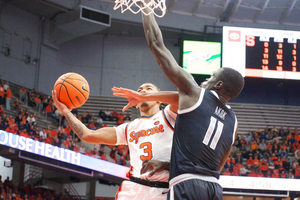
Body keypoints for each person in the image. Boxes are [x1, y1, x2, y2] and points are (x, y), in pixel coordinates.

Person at [140, 3, 244, 199]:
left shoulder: (196, 93)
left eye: (211, 76)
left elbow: (156, 44)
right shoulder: (234, 121)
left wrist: (146, 7)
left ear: (219, 84)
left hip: (186, 184)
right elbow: (215, 166)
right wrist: (168, 164)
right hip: (213, 188)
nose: (206, 79)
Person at [52, 83, 178, 200]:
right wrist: (65, 111)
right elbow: (87, 135)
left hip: (162, 189)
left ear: (159, 99)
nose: (143, 91)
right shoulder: (128, 128)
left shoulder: (169, 115)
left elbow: (181, 98)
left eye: (148, 89)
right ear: (136, 104)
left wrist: (142, 95)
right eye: (139, 91)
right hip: (134, 188)